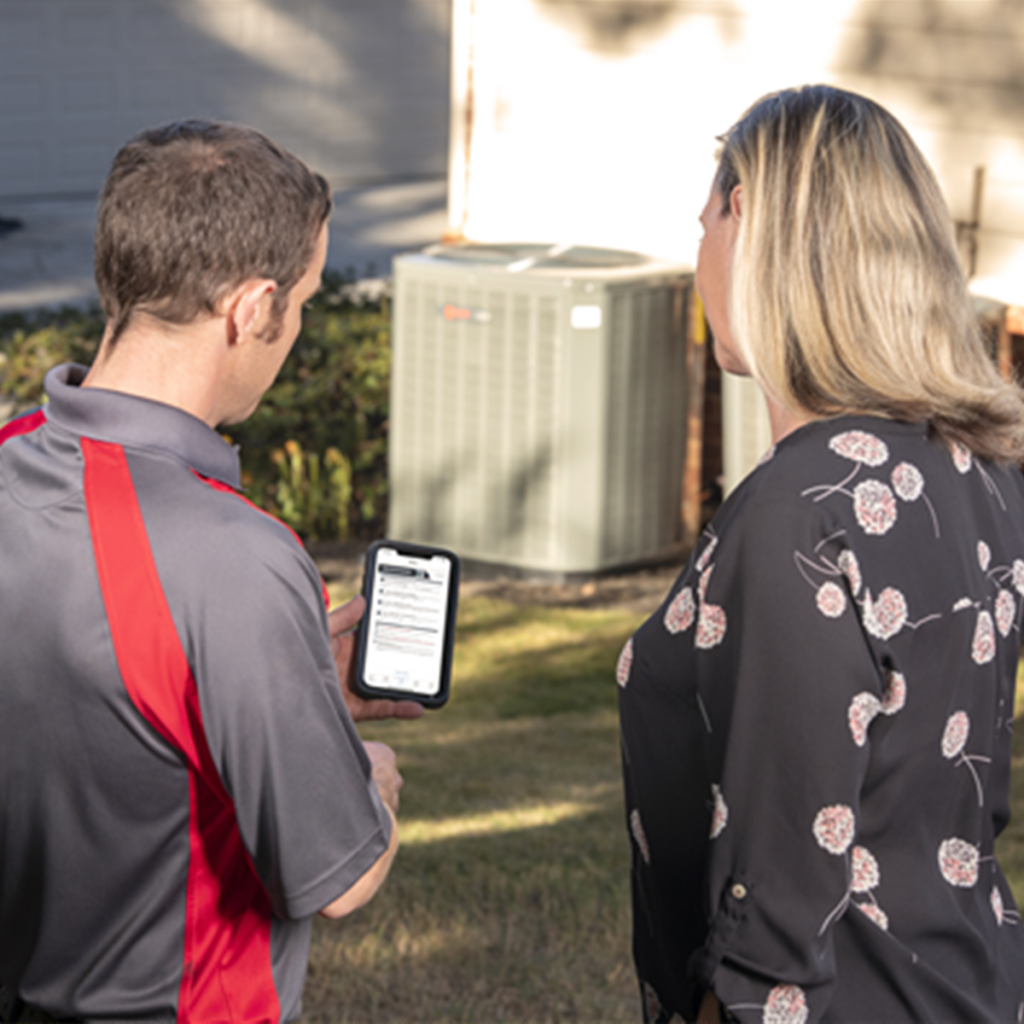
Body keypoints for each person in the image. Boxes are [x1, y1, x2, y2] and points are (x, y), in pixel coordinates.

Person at [618, 85, 1024, 1024]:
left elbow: (778, 891)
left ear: (752, 222)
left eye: (706, 224)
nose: (698, 259)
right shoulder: (981, 468)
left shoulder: (801, 514)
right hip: (972, 979)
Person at [0, 120, 422, 1023]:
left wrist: (291, 692)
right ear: (250, 309)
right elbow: (338, 879)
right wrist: (370, 774)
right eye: (302, 302)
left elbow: (91, 707)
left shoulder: (9, 464)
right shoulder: (235, 556)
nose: (296, 328)